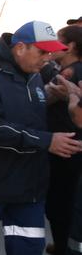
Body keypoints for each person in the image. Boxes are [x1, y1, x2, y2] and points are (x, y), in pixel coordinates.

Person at [0, 21, 82, 255]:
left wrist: (61, 99)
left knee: (29, 249)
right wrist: (47, 141)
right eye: (42, 51)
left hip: (28, 188)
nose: (48, 57)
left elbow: (27, 116)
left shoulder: (34, 75)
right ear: (20, 48)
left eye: (50, 51)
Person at [43, 26, 82, 255]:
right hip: (65, 146)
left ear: (72, 46)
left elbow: (43, 100)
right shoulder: (66, 70)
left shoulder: (69, 74)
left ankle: (63, 247)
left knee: (60, 204)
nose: (53, 45)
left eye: (58, 39)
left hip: (67, 148)